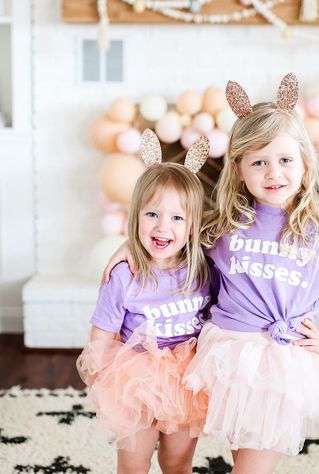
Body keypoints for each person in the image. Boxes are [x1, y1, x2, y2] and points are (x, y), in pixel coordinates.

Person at [104, 74, 319, 474]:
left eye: (285, 160)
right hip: (227, 356)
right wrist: (127, 246)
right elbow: (170, 233)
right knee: (234, 456)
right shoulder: (226, 225)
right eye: (259, 162)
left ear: (305, 162)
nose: (274, 173)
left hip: (277, 363)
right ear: (238, 170)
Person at [77, 130, 210, 474]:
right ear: (135, 215)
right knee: (134, 463)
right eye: (152, 214)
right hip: (134, 382)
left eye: (177, 218)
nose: (163, 226)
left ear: (193, 224)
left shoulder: (204, 271)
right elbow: (101, 339)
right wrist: (107, 387)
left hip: (185, 383)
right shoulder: (122, 276)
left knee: (178, 462)